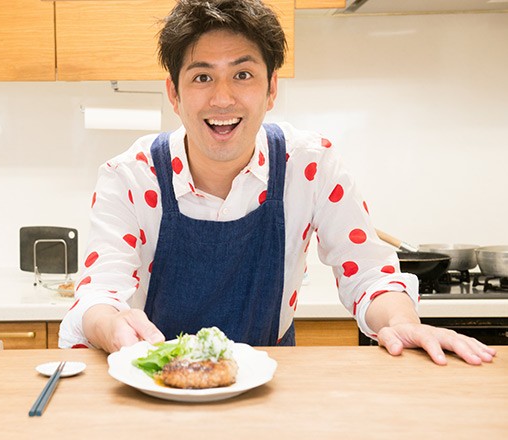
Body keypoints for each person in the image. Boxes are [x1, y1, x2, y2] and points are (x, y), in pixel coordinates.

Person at [59, 0, 496, 366]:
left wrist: (401, 322)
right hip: (153, 380)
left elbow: (368, 273)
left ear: (272, 90)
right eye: (202, 76)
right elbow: (100, 293)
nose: (223, 98)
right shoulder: (129, 176)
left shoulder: (311, 165)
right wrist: (112, 327)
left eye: (243, 74)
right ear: (173, 93)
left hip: (271, 385)